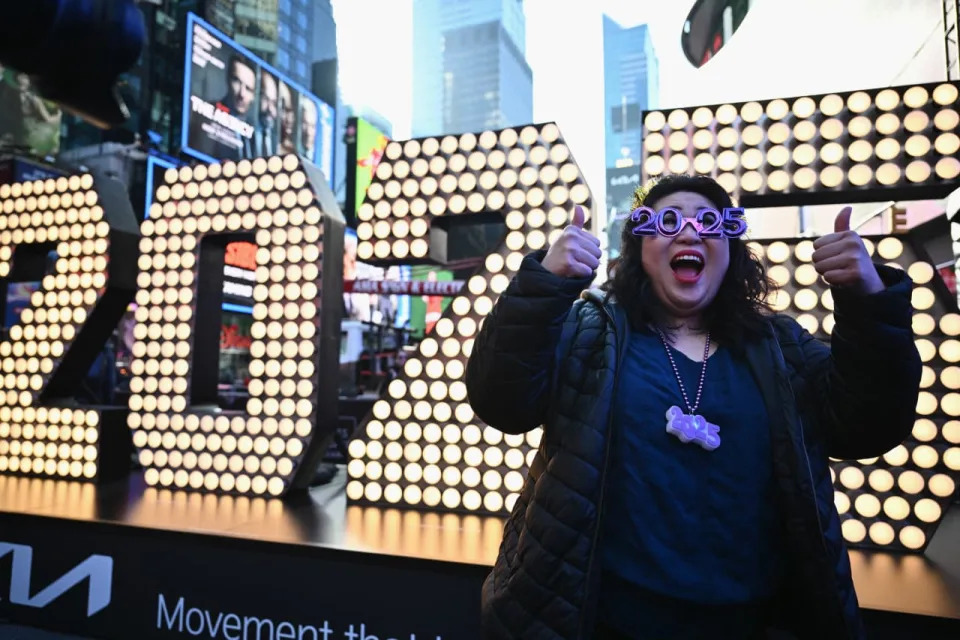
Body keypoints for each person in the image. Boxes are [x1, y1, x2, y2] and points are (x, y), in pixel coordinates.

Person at [465, 174, 921, 639]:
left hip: (753, 624)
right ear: (640, 250)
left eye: (708, 221)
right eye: (667, 221)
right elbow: (500, 402)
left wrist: (868, 301)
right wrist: (543, 285)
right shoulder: (590, 333)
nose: (688, 232)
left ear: (731, 249)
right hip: (596, 620)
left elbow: (868, 426)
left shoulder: (782, 348)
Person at [252, 70, 278, 158]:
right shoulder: (244, 133)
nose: (270, 109)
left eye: (274, 103)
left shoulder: (276, 141)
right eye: (266, 99)